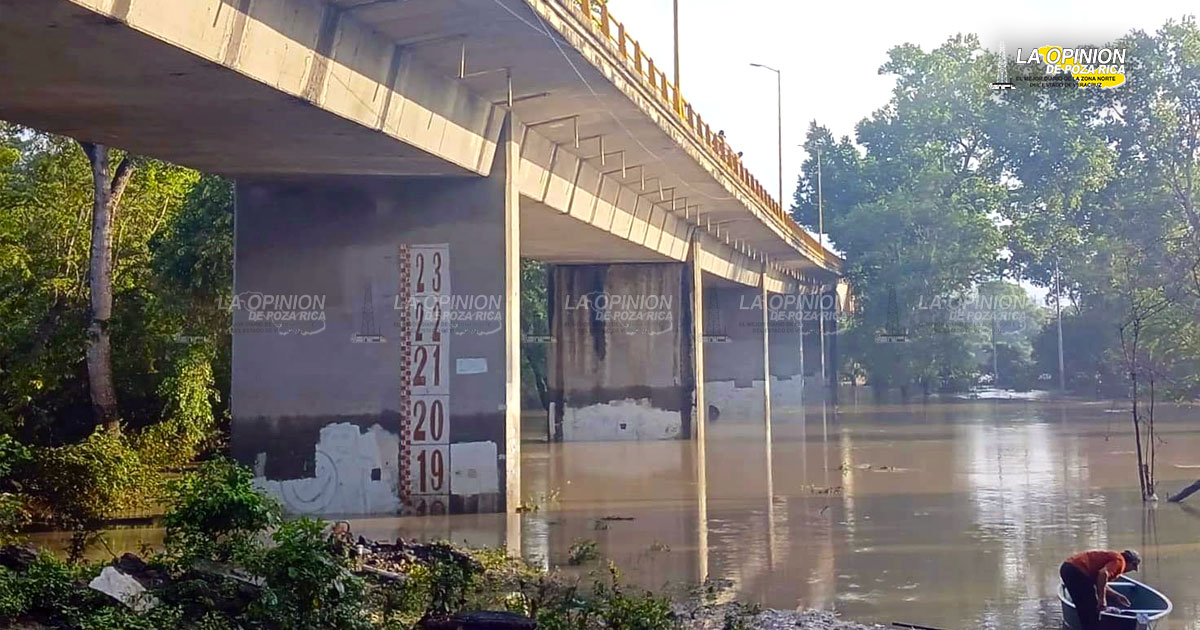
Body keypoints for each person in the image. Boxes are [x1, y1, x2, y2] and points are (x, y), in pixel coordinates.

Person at [1060, 549, 1142, 630]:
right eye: (1132, 568)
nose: (1128, 571)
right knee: (1090, 612)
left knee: (1085, 608)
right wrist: (1102, 599)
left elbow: (1100, 582)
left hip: (1069, 568)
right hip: (1076, 571)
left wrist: (1116, 596)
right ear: (1132, 563)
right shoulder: (1120, 562)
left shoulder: (1115, 558)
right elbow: (1103, 574)